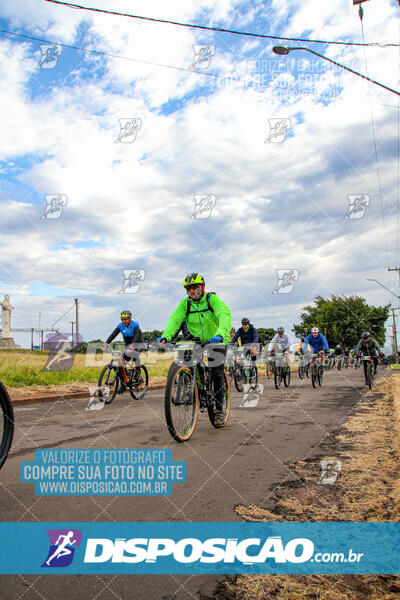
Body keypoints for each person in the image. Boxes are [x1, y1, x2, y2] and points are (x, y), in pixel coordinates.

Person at [157, 273, 231, 425]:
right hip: (196, 340)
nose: (192, 291)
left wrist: (220, 334)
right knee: (187, 358)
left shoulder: (212, 299)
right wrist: (166, 336)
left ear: (202, 287)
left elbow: (224, 314)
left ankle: (219, 409)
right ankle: (194, 384)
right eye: (189, 289)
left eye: (195, 288)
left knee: (217, 372)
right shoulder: (186, 304)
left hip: (217, 338)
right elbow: (175, 319)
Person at [103, 310, 144, 391]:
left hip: (138, 343)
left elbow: (136, 336)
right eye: (122, 319)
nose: (124, 321)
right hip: (128, 345)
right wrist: (106, 343)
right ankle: (123, 384)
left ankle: (138, 370)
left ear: (130, 318)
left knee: (134, 354)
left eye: (126, 319)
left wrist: (132, 346)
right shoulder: (120, 326)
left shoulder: (135, 324)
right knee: (122, 364)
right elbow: (113, 335)